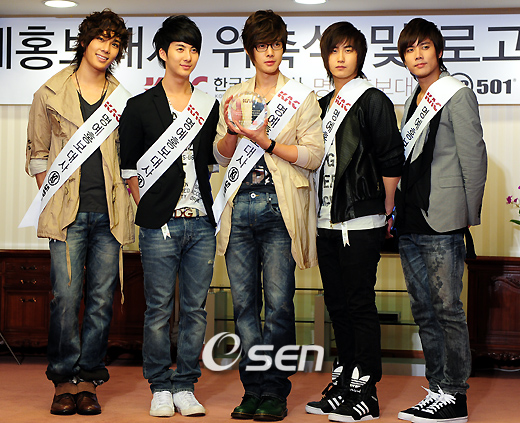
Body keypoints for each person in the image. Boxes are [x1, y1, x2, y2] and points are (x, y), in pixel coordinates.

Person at [213, 9, 324, 422]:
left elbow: (313, 155)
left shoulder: (301, 97)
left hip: (280, 208)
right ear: (250, 51)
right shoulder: (234, 96)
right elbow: (219, 155)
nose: (270, 52)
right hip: (239, 205)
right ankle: (252, 389)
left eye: (276, 44)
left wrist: (268, 142)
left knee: (278, 304)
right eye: (262, 46)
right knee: (244, 306)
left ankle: (275, 390)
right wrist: (231, 133)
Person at [24, 9, 134, 416]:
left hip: (109, 214)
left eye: (115, 43)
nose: (107, 48)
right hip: (66, 215)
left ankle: (88, 380)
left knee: (102, 301)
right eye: (101, 39)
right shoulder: (50, 92)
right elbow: (37, 152)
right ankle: (62, 380)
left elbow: (130, 157)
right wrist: (50, 193)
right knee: (65, 299)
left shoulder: (122, 97)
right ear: (84, 41)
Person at [119, 15, 219, 418]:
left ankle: (186, 385)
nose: (188, 56)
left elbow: (213, 160)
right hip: (160, 224)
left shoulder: (208, 105)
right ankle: (160, 386)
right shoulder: (139, 106)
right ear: (163, 53)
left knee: (195, 310)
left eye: (193, 49)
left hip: (201, 222)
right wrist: (150, 208)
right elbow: (129, 170)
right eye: (180, 48)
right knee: (159, 309)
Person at [305, 22, 404, 422]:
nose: (341, 58)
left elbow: (391, 159)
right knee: (337, 304)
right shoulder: (320, 104)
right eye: (334, 50)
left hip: (361, 220)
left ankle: (367, 392)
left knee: (360, 303)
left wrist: (386, 211)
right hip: (325, 222)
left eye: (349, 50)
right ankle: (345, 381)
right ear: (325, 57)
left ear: (360, 55)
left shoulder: (372, 99)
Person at [395, 18, 487, 423]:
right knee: (424, 310)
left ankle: (456, 394)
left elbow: (474, 158)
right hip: (410, 221)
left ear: (439, 51)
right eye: (409, 49)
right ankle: (437, 390)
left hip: (443, 220)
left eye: (424, 47)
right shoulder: (411, 101)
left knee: (448, 309)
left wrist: (466, 216)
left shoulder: (457, 94)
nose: (417, 55)